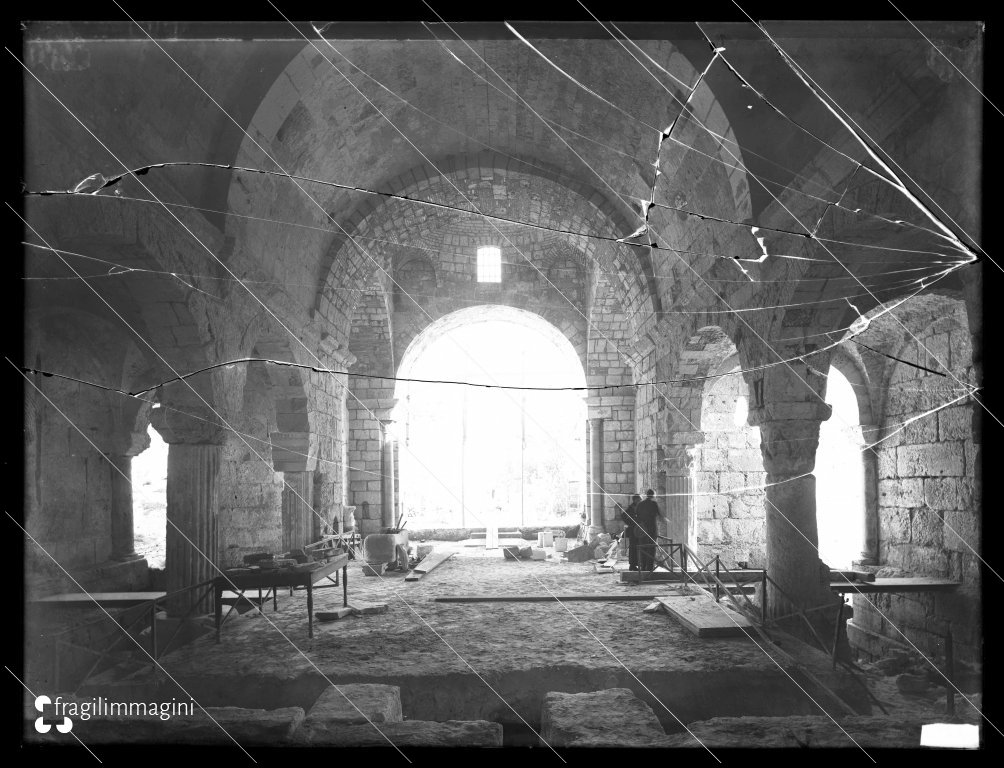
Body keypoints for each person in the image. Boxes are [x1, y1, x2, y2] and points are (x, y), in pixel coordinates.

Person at [633, 489, 661, 573]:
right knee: (651, 548)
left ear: (646, 495)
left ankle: (643, 566)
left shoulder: (640, 504)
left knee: (643, 548)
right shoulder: (654, 504)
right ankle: (650, 567)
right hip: (652, 529)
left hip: (642, 529)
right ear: (653, 495)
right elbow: (659, 515)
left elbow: (636, 515)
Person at [620, 494, 643, 570]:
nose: (641, 500)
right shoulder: (631, 508)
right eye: (640, 499)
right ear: (636, 500)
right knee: (633, 548)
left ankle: (638, 564)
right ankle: (632, 565)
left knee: (638, 547)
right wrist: (631, 523)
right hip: (633, 531)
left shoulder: (639, 507)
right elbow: (623, 516)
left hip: (639, 531)